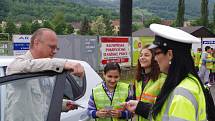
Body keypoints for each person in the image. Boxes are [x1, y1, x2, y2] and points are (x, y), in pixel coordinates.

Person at [123, 24, 207, 121]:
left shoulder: (181, 92)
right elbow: (165, 114)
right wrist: (140, 107)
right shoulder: (187, 82)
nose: (155, 58)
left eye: (157, 53)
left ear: (170, 54)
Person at [5, 28, 84, 121]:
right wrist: (62, 64)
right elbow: (13, 68)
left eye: (56, 48)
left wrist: (61, 104)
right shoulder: (19, 64)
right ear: (36, 43)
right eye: (51, 47)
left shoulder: (47, 72)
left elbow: (43, 102)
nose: (55, 51)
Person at [131, 44, 166, 121]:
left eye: (146, 55)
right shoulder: (138, 80)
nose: (142, 58)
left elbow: (163, 107)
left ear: (154, 59)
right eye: (141, 55)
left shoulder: (162, 80)